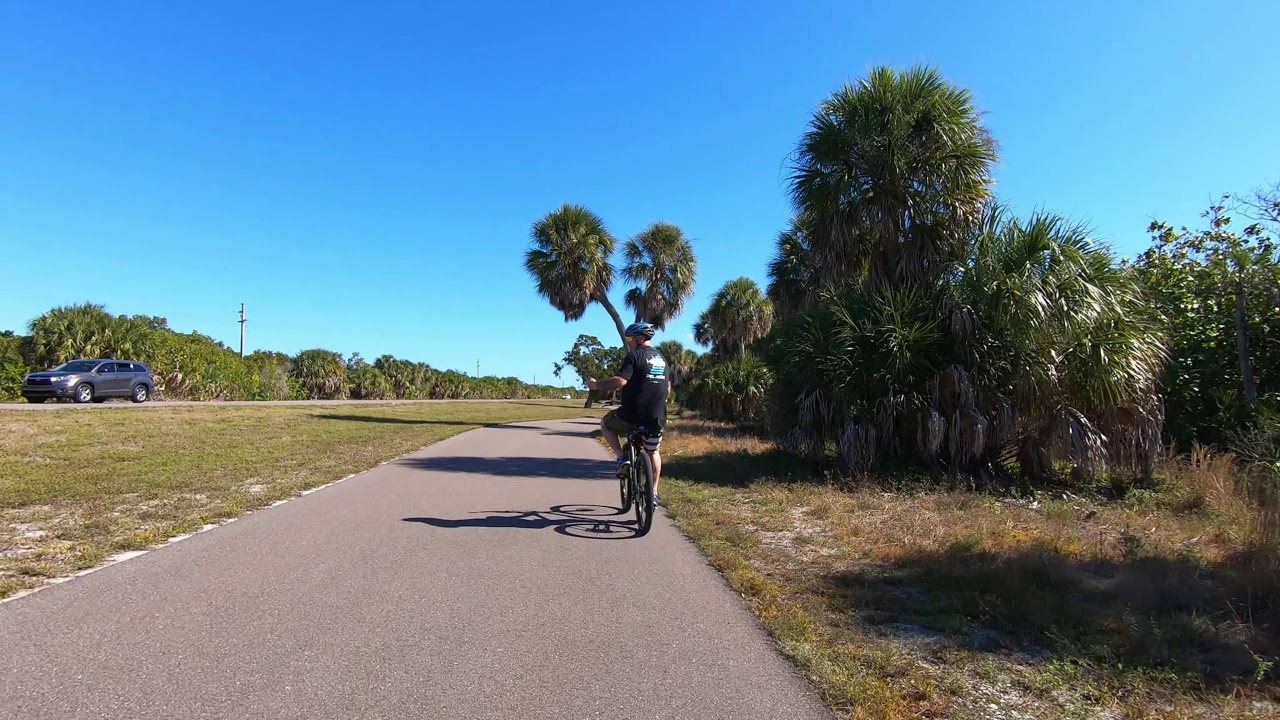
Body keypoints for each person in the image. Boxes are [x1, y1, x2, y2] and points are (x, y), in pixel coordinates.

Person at [587, 321, 669, 502]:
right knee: (653, 452)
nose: (629, 342)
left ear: (640, 339)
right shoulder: (662, 360)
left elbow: (621, 382)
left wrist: (596, 385)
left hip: (631, 415)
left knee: (605, 424)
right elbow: (668, 390)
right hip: (657, 417)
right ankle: (653, 492)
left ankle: (621, 457)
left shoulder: (634, 357)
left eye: (630, 338)